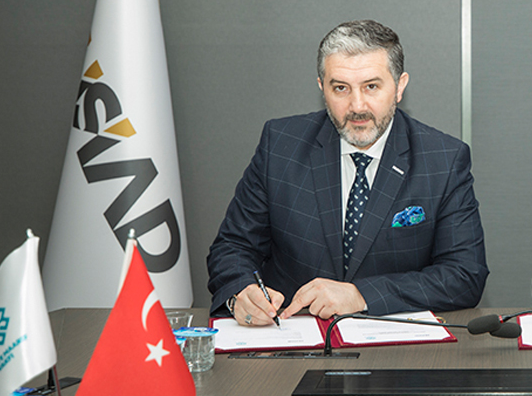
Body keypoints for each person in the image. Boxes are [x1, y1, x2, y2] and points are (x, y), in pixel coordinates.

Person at [208, 20, 488, 326]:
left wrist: (361, 295)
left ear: (399, 86)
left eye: (371, 87)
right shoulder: (280, 145)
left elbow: (464, 274)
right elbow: (233, 247)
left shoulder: (443, 159)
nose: (357, 106)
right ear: (322, 88)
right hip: (293, 336)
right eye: (340, 88)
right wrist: (241, 292)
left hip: (394, 341)